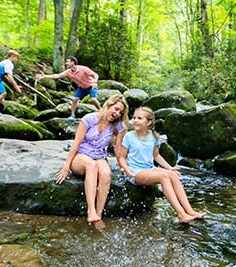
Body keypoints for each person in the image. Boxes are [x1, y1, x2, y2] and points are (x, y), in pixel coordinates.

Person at [117, 107, 206, 223]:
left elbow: (156, 156)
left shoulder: (154, 137)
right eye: (134, 118)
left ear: (149, 122)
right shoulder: (129, 136)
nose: (135, 121)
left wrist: (170, 168)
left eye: (139, 118)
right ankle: (181, 214)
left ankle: (190, 211)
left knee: (173, 175)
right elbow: (121, 157)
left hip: (149, 168)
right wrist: (126, 168)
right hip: (134, 171)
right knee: (163, 177)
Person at [55, 94, 129, 224]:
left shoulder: (117, 126)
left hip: (99, 156)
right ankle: (91, 211)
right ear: (108, 105)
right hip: (81, 156)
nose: (117, 114)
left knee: (106, 174)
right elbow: (76, 143)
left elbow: (118, 150)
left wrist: (125, 167)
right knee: (91, 166)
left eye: (120, 112)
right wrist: (66, 168)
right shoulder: (89, 118)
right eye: (116, 109)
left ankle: (98, 216)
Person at [35, 56, 101, 118]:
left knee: (93, 99)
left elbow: (95, 75)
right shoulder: (68, 72)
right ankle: (72, 115)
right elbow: (58, 75)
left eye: (67, 61)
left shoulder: (83, 69)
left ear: (73, 62)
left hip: (91, 86)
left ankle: (101, 111)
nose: (66, 63)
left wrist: (95, 82)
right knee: (75, 100)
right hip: (82, 88)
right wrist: (45, 76)